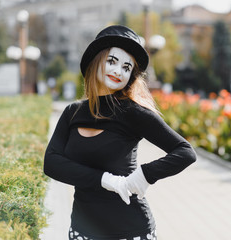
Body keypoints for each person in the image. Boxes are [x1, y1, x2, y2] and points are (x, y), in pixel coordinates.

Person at [44, 25, 196, 240]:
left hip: (130, 231)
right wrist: (106, 180)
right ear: (96, 61)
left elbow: (186, 152)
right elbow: (51, 163)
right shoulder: (72, 112)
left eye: (126, 67)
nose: (118, 71)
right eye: (112, 62)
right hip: (82, 230)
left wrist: (143, 176)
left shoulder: (133, 112)